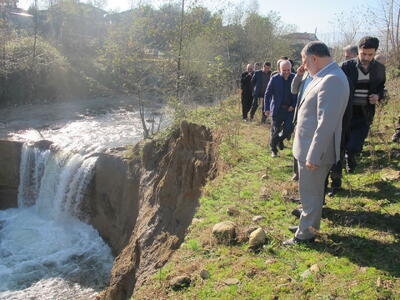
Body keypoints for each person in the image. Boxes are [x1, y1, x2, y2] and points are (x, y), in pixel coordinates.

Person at [284, 41, 349, 245]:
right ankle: (307, 223)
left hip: (316, 151)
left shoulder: (332, 80)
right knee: (308, 191)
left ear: (314, 58)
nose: (303, 66)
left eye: (304, 61)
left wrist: (314, 154)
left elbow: (325, 123)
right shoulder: (321, 76)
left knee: (311, 194)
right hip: (308, 146)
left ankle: (306, 235)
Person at [341, 36, 386, 173]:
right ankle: (344, 163)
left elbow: (381, 87)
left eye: (370, 55)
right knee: (344, 142)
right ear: (358, 51)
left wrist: (378, 96)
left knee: (356, 145)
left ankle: (351, 156)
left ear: (375, 52)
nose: (366, 57)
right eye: (363, 54)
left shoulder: (379, 68)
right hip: (346, 111)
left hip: (365, 112)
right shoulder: (347, 66)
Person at [264, 60, 297, 157]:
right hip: (277, 109)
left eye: (288, 70)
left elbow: (298, 94)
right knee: (276, 130)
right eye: (284, 70)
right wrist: (266, 108)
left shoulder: (295, 77)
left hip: (290, 110)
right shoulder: (274, 79)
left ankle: (276, 141)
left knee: (288, 130)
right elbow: (268, 94)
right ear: (279, 70)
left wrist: (294, 105)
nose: (286, 72)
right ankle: (274, 150)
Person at [290, 65, 313, 181]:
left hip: (313, 118)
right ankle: (297, 173)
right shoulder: (304, 76)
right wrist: (298, 75)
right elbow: (293, 90)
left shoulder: (322, 77)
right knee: (297, 145)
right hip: (299, 116)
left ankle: (309, 174)